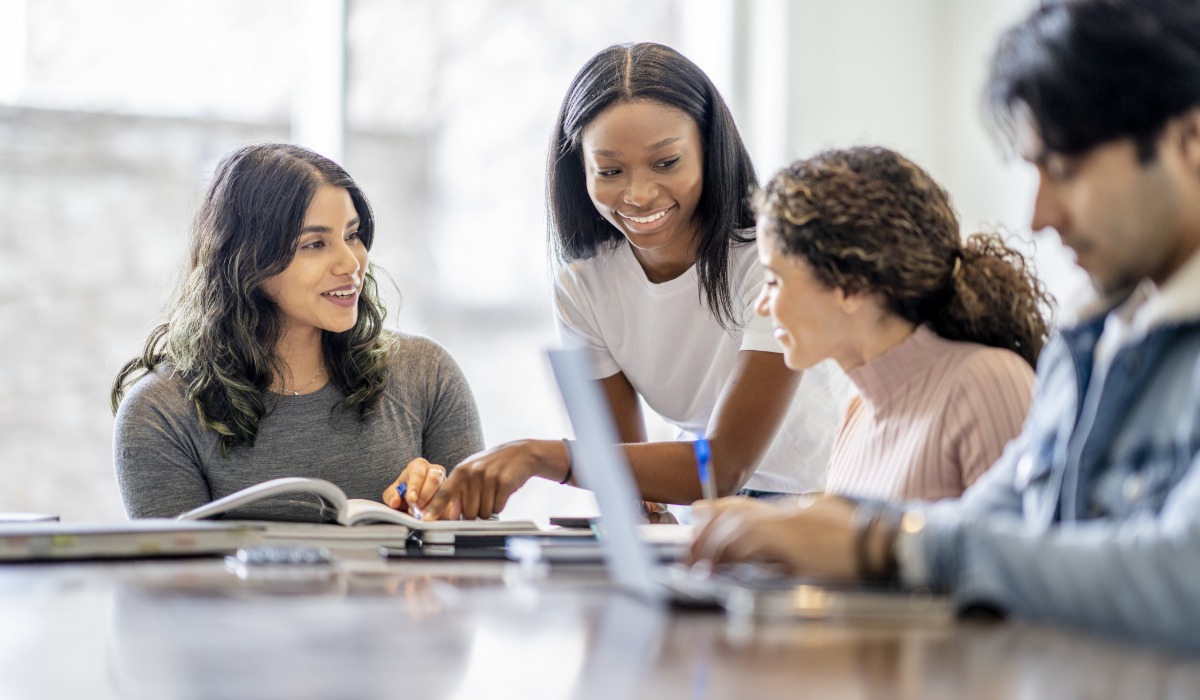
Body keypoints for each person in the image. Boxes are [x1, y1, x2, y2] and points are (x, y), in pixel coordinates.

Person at [690, 0, 1200, 651]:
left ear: (1189, 139)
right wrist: (809, 529)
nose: (1039, 215)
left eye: (1065, 171)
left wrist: (878, 544)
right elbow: (993, 523)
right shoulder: (1092, 341)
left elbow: (1183, 580)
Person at [391, 42, 843, 520]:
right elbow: (622, 465)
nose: (639, 194)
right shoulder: (584, 286)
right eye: (609, 170)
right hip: (711, 512)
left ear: (709, 150)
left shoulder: (767, 260)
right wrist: (640, 510)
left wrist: (538, 455)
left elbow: (723, 465)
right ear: (580, 170)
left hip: (818, 504)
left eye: (666, 163)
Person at [112, 143, 484, 519]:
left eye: (352, 235)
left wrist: (436, 516)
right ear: (248, 259)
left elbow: (481, 560)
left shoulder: (427, 373)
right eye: (315, 244)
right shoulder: (160, 412)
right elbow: (171, 573)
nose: (350, 262)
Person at [755, 146, 1050, 501]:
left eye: (773, 280)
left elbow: (1011, 551)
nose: (761, 306)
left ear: (851, 286)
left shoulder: (988, 381)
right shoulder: (858, 412)